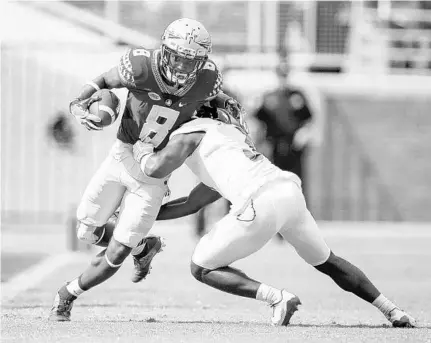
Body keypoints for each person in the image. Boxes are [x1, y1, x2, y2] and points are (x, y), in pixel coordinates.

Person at [131, 108, 416, 328]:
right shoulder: (229, 139)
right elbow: (191, 204)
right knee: (328, 261)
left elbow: (156, 168)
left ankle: (276, 298)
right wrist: (147, 215)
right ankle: (392, 309)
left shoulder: (191, 132)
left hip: (260, 201)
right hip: (288, 192)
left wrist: (143, 152)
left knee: (201, 267)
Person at [48, 18, 243, 322]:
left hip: (153, 176)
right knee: (86, 230)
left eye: (190, 61)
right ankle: (144, 246)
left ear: (202, 62)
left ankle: (68, 294)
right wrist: (79, 102)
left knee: (117, 250)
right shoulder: (140, 66)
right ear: (164, 50)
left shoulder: (206, 80)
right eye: (176, 56)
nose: (180, 66)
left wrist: (225, 101)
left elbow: (210, 97)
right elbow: (103, 81)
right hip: (122, 155)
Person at [254, 65, 315, 200]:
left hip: (294, 147)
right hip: (274, 146)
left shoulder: (297, 96)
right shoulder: (269, 97)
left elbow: (309, 119)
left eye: (285, 76)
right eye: (280, 76)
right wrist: (261, 142)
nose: (283, 79)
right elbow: (259, 119)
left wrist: (303, 133)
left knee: (295, 182)